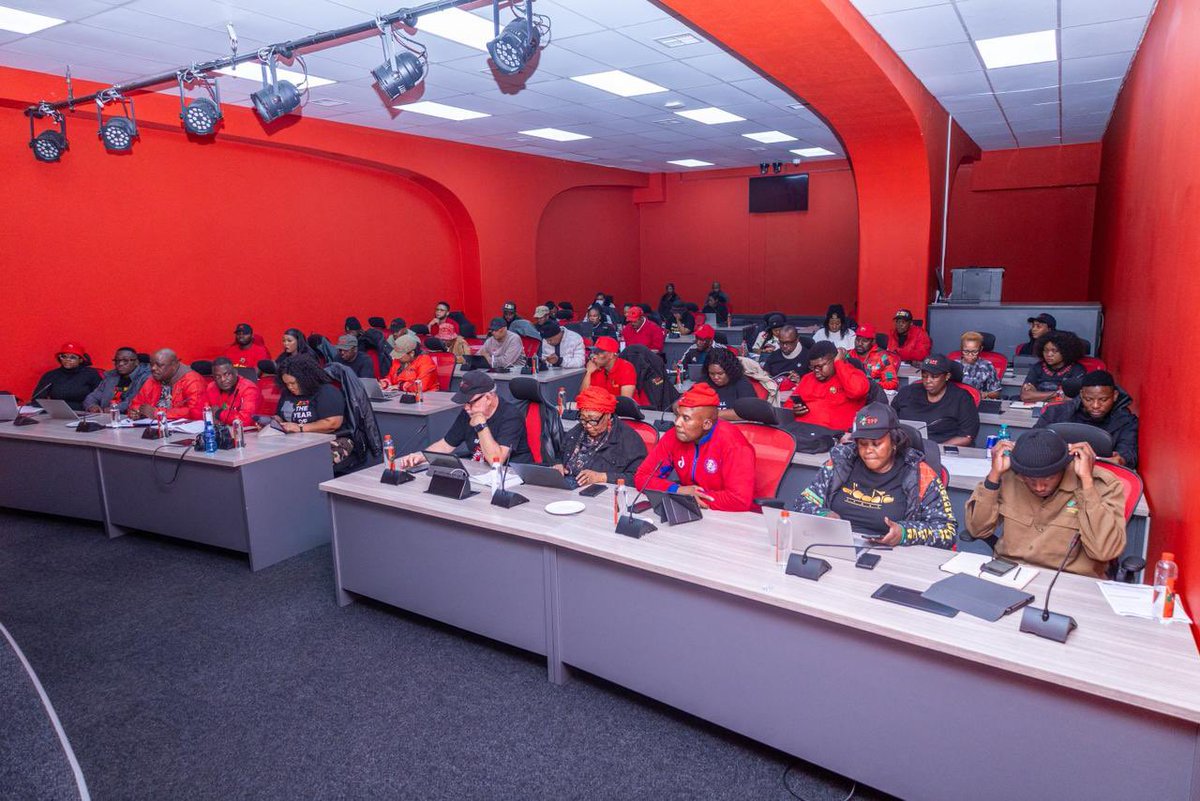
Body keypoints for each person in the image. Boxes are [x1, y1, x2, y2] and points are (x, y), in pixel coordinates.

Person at [965, 430, 1126, 578]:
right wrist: (993, 476)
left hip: (1068, 579)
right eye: (1030, 480)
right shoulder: (1008, 475)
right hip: (1008, 571)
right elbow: (977, 530)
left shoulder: (1102, 484)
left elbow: (1105, 552)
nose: (1039, 487)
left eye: (1049, 478)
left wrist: (1087, 484)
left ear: (1064, 467)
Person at [792, 403, 956, 547]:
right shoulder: (840, 463)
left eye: (876, 444)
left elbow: (947, 531)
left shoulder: (920, 473)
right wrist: (823, 515)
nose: (868, 450)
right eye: (862, 444)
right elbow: (802, 502)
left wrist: (905, 533)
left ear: (894, 442)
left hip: (894, 556)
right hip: (835, 546)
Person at [634, 383, 755, 512]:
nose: (677, 423)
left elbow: (739, 500)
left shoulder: (734, 444)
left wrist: (692, 498)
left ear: (707, 424)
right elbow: (642, 477)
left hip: (734, 520)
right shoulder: (674, 436)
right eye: (677, 416)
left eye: (686, 418)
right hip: (691, 511)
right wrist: (678, 490)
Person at [398, 370, 531, 468]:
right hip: (479, 472)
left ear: (489, 398)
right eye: (464, 403)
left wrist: (481, 426)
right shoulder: (469, 412)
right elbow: (446, 445)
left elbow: (496, 461)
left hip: (510, 476)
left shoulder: (511, 416)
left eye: (470, 402)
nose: (466, 407)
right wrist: (421, 456)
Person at [1034, 370, 1139, 468]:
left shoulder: (1126, 421)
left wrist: (1121, 460)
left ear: (1115, 395)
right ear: (1081, 394)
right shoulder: (1056, 413)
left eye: (1103, 399)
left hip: (1102, 472)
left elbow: (1128, 452)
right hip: (1057, 469)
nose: (1096, 405)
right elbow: (1033, 438)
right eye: (1088, 399)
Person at [553, 387, 647, 487]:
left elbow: (639, 478)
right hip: (567, 486)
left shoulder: (629, 440)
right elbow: (560, 455)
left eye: (593, 420)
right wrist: (559, 465)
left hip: (600, 493)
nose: (588, 425)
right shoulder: (578, 430)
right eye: (583, 419)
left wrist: (601, 477)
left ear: (608, 415)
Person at [890, 354, 980, 446]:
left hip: (944, 452)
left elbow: (966, 437)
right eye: (924, 376)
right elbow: (890, 421)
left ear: (947, 376)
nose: (928, 380)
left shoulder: (962, 398)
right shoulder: (907, 392)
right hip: (905, 447)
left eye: (934, 376)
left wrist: (936, 449)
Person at [788, 341, 870, 432]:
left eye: (820, 366)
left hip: (835, 437)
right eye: (813, 367)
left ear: (834, 360)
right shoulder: (808, 378)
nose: (816, 371)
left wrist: (839, 363)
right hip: (802, 432)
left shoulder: (854, 375)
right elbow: (790, 402)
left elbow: (857, 392)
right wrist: (793, 409)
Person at [126, 348, 207, 421]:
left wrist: (158, 413)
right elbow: (136, 403)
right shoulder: (153, 379)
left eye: (159, 365)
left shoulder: (192, 381)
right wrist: (136, 411)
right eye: (151, 364)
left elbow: (196, 412)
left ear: (174, 365)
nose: (153, 368)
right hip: (152, 426)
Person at [274, 353, 344, 434]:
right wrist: (273, 422)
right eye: (286, 384)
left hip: (326, 439)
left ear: (305, 379)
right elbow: (280, 416)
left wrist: (300, 427)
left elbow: (333, 423)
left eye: (293, 383)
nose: (290, 387)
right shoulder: (287, 393)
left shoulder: (326, 391)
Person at [1020, 330, 1087, 402]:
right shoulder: (1037, 367)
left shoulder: (1077, 370)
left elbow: (1072, 399)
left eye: (1054, 351)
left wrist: (1036, 394)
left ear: (1066, 351)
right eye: (1045, 350)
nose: (1049, 354)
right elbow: (1025, 396)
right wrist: (1058, 394)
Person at [32, 342, 102, 411]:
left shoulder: (91, 374)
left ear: (80, 360)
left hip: (84, 413)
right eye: (64, 356)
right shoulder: (51, 375)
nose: (67, 359)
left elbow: (100, 397)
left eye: (73, 357)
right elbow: (37, 399)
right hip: (57, 413)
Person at [83, 346, 151, 414]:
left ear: (136, 362)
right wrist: (91, 406)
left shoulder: (145, 377)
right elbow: (93, 396)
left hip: (129, 417)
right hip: (106, 416)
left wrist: (113, 409)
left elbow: (134, 401)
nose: (120, 364)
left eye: (125, 361)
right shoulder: (110, 376)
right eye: (117, 361)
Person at [701, 346, 757, 420]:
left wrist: (711, 414)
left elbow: (750, 412)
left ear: (730, 371)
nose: (715, 377)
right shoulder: (705, 381)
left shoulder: (742, 383)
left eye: (720, 373)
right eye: (712, 373)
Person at [205, 357, 261, 427]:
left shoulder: (249, 389)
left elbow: (245, 420)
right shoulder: (211, 387)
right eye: (218, 377)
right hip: (221, 431)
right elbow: (204, 413)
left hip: (249, 433)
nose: (223, 379)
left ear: (235, 372)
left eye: (227, 374)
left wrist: (219, 413)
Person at [954, 331, 1001, 399]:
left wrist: (985, 394)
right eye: (966, 351)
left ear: (980, 349)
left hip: (977, 402)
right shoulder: (954, 365)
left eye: (974, 352)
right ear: (961, 348)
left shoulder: (987, 366)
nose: (970, 355)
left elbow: (996, 392)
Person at [850, 324, 897, 390]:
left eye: (864, 341)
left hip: (872, 395)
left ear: (873, 342)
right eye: (857, 339)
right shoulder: (848, 355)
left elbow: (891, 382)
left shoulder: (883, 358)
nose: (860, 343)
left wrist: (870, 385)